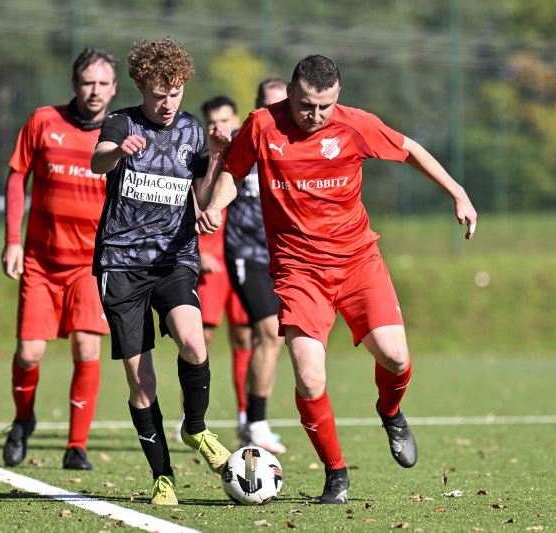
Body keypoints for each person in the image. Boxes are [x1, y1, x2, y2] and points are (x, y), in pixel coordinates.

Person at [198, 55, 478, 504]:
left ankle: (390, 412)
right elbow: (233, 171)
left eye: (325, 106)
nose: (316, 116)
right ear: (290, 92)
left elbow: (411, 150)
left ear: (338, 97)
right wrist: (216, 206)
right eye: (307, 105)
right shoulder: (261, 125)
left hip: (358, 263)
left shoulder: (356, 125)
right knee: (310, 379)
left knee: (396, 358)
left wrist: (458, 193)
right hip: (298, 271)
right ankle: (336, 475)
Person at [90, 37, 232, 506]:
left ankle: (196, 428)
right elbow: (98, 162)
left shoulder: (193, 130)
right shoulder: (120, 122)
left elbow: (203, 191)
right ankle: (162, 477)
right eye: (157, 93)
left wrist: (216, 158)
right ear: (141, 88)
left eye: (174, 92)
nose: (167, 102)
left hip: (174, 259)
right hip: (122, 264)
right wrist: (118, 152)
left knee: (195, 342)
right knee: (141, 381)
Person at [1, 48, 116, 471]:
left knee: (87, 347)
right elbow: (17, 176)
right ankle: (23, 419)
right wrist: (12, 240)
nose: (95, 91)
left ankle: (76, 446)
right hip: (41, 263)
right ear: (74, 84)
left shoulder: (121, 132)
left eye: (103, 84)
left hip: (90, 265)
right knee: (30, 353)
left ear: (115, 88)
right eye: (88, 82)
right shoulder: (43, 121)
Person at [172, 96, 253, 444]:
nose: (221, 127)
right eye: (213, 121)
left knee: (245, 338)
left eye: (226, 119)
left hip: (245, 259)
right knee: (199, 339)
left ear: (236, 119)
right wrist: (200, 250)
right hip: (213, 262)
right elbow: (193, 205)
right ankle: (188, 418)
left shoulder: (249, 155)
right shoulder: (205, 159)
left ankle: (246, 418)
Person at [215, 85, 290, 454]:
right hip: (247, 252)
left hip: (287, 255)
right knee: (268, 333)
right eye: (271, 102)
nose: (280, 108)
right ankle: (255, 422)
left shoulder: (300, 143)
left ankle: (253, 421)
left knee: (281, 340)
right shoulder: (249, 137)